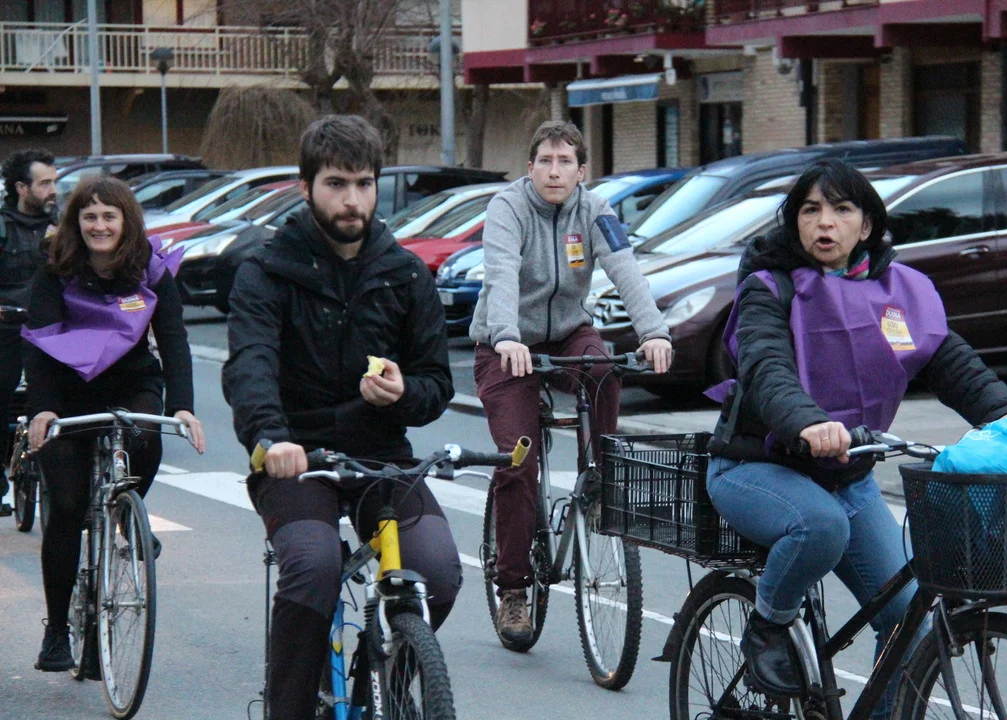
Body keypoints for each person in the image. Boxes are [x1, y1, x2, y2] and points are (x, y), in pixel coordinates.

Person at [705, 159, 1007, 714]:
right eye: (810, 210)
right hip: (754, 466)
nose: (824, 222)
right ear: (795, 222)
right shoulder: (770, 288)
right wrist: (806, 420)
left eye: (841, 209)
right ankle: (769, 624)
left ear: (867, 225)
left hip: (847, 474)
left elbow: (950, 362)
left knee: (909, 619)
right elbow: (765, 366)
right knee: (820, 525)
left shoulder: (897, 294)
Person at [222, 114, 459, 720]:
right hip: (298, 457)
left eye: (363, 183)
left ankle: (381, 685)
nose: (352, 200)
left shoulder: (405, 273)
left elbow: (436, 383)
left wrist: (403, 393)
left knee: (438, 573)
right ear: (306, 188)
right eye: (336, 184)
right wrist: (271, 437)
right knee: (313, 568)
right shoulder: (266, 271)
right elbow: (250, 367)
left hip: (380, 455)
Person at [470, 120, 674, 646]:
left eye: (565, 162)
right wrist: (507, 336)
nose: (555, 171)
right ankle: (513, 589)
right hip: (504, 343)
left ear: (582, 172)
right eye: (545, 161)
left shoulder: (596, 210)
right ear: (530, 167)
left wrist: (654, 332)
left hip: (566, 334)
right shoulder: (507, 208)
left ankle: (600, 482)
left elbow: (625, 269)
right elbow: (500, 272)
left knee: (604, 370)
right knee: (518, 463)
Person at [22, 175, 206, 674]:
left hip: (131, 384)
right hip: (67, 393)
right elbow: (38, 344)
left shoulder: (150, 270)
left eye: (109, 216)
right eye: (89, 216)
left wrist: (183, 407)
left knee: (147, 436)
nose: (99, 225)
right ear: (76, 223)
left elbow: (173, 340)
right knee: (66, 507)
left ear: (127, 222)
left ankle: (127, 509)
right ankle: (57, 631)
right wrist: (43, 408)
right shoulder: (55, 270)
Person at [0, 149, 57, 496]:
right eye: (45, 183)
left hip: (50, 329)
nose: (53, 190)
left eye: (55, 182)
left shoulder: (64, 225)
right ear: (22, 188)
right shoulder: (2, 225)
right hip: (8, 327)